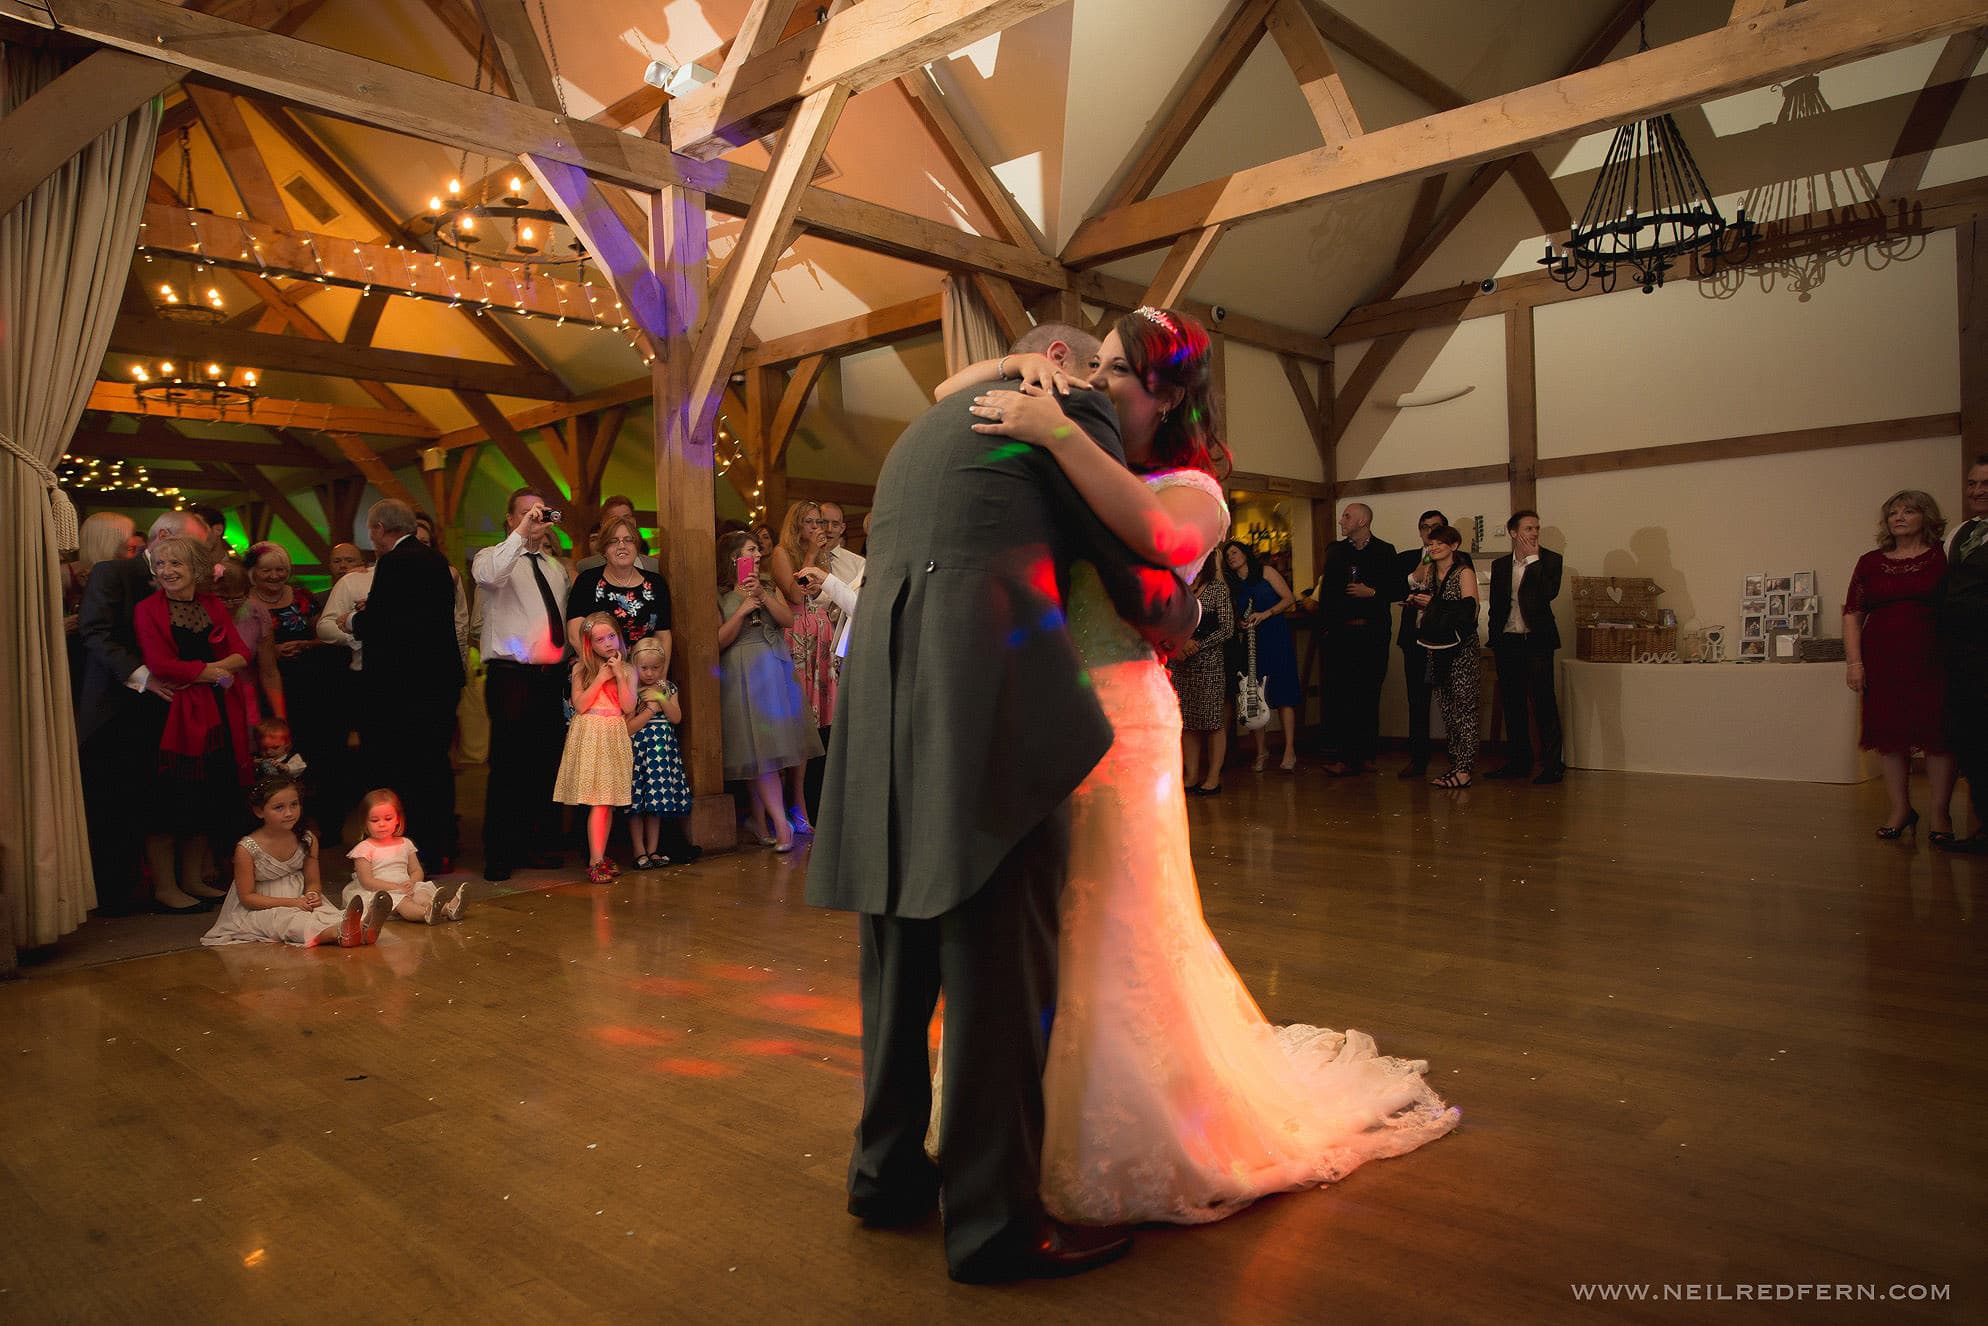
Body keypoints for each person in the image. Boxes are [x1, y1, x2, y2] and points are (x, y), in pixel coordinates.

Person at [955, 307, 1456, 1233]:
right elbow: (953, 394)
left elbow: (1161, 538)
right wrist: (1034, 365)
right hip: (1041, 710)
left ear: (1171, 393)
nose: (1100, 384)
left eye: (1119, 373)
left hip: (1123, 719)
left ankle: (1124, 1132)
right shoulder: (1072, 458)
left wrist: (1059, 426)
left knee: (1119, 923)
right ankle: (1017, 1123)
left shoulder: (1193, 489)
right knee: (1044, 925)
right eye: (1096, 366)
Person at [808, 319, 1201, 1284]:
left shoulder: (919, 433)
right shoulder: (1064, 417)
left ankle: (886, 1174)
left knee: (896, 962)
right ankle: (993, 1228)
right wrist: (1190, 612)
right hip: (987, 715)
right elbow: (1139, 585)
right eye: (1098, 366)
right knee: (995, 974)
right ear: (1057, 365)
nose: (1107, 385)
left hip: (884, 717)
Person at [78, 510, 209, 911]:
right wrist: (144, 676)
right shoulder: (113, 572)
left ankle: (163, 884)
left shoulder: (186, 582)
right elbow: (95, 632)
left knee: (159, 800)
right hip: (117, 708)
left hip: (166, 710)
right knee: (116, 805)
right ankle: (114, 898)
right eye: (193, 546)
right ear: (165, 535)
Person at [135, 533, 260, 912]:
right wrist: (214, 671)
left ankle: (192, 880)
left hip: (215, 713)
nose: (167, 571)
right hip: (169, 715)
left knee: (206, 797)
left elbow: (241, 653)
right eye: (160, 564)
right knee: (168, 802)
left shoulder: (211, 604)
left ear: (196, 569)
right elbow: (160, 665)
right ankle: (165, 887)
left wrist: (208, 672)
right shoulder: (147, 609)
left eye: (176, 564)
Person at [351, 500, 465, 871]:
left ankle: (404, 851)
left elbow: (385, 625)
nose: (372, 539)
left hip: (403, 688)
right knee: (435, 767)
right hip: (440, 682)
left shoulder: (393, 562)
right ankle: (440, 848)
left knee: (404, 768)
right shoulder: (436, 561)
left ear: (382, 527)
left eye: (372, 531)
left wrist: (353, 619)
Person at [1845, 490, 1957, 840]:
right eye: (1893, 512)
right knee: (1889, 738)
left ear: (1926, 516)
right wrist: (1854, 663)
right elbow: (1852, 613)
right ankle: (1901, 810)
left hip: (1934, 658)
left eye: (1909, 511)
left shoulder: (1944, 557)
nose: (1899, 517)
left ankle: (1940, 815)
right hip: (1882, 659)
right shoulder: (1870, 562)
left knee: (1938, 736)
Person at [472, 489, 570, 881]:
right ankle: (500, 852)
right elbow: (488, 576)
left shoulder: (554, 567)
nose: (536, 518)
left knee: (545, 764)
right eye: (527, 513)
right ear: (511, 519)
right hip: (512, 676)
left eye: (541, 512)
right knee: (508, 765)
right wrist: (521, 535)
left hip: (549, 678)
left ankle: (537, 844)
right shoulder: (492, 557)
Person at [717, 530, 820, 854]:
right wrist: (743, 609)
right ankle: (777, 825)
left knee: (774, 752)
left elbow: (787, 619)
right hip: (744, 672)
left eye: (758, 551)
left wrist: (763, 595)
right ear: (735, 558)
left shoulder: (766, 586)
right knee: (758, 755)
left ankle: (778, 823)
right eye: (751, 551)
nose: (758, 555)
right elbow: (719, 640)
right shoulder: (719, 596)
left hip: (774, 669)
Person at [202, 773, 377, 949]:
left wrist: (313, 894)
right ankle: (339, 932)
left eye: (294, 805)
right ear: (259, 811)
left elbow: (313, 882)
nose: (289, 813)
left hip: (299, 898)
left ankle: (359, 928)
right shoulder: (246, 849)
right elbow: (247, 898)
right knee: (289, 921)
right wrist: (291, 903)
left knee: (323, 913)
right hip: (262, 906)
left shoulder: (307, 839)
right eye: (279, 807)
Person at [770, 499, 837, 832]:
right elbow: (796, 596)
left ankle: (812, 801)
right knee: (800, 729)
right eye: (809, 521)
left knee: (820, 729)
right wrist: (810, 554)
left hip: (820, 649)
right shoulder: (782, 553)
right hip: (797, 644)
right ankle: (795, 804)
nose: (816, 528)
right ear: (796, 524)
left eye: (819, 522)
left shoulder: (823, 556)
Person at [1315, 502, 1396, 776]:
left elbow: (1395, 588)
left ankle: (1366, 754)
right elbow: (1327, 593)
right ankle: (1344, 756)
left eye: (1347, 516)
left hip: (1372, 636)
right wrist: (1325, 630)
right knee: (1342, 696)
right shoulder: (1336, 551)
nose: (1341, 521)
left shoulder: (1385, 551)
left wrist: (1371, 592)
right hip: (1342, 636)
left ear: (1362, 521)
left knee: (1369, 694)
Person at [555, 612, 637, 882]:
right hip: (591, 732)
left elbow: (628, 707)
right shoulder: (582, 668)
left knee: (608, 801)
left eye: (611, 636)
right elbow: (580, 704)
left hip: (613, 732)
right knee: (599, 802)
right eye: (600, 640)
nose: (608, 644)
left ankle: (600, 854)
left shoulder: (627, 669)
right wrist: (601, 679)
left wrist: (619, 676)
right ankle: (595, 860)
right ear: (591, 644)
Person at [1487, 510, 1565, 784]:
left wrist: (1533, 561)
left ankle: (1553, 765)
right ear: (1513, 533)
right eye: (1528, 528)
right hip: (1508, 640)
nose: (1533, 533)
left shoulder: (1551, 560)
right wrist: (1494, 638)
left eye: (1536, 529)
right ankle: (1519, 760)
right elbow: (1497, 605)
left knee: (1544, 702)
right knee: (1513, 703)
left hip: (1537, 641)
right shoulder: (1500, 565)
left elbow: (1547, 593)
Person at [1394, 510, 1471, 778]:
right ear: (1419, 531)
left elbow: (1465, 603)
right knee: (1417, 700)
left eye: (1436, 527)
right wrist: (1424, 561)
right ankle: (1418, 759)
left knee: (1452, 700)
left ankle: (1458, 761)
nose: (1430, 532)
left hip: (1446, 641)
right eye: (1425, 527)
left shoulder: (1461, 561)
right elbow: (1400, 588)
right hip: (1414, 638)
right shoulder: (1406, 558)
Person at [1409, 524, 1481, 789]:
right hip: (1435, 646)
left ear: (1454, 545)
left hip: (1461, 648)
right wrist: (1416, 601)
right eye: (1431, 543)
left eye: (1440, 543)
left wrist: (1433, 605)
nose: (1434, 547)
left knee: (1465, 708)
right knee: (1447, 709)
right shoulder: (1429, 573)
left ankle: (1464, 769)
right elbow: (1426, 600)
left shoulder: (1464, 572)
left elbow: (1470, 610)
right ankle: (1455, 764)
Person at [1941, 458, 1988, 852]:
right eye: (1973, 483)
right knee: (1970, 740)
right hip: (1960, 654)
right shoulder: (1960, 533)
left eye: (1986, 483)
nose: (1978, 490)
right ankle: (1980, 831)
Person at [1222, 540, 1300, 771]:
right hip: (1251, 642)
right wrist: (1241, 622)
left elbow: (1289, 599)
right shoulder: (1233, 584)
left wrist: (1267, 613)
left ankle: (1289, 750)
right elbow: (1233, 614)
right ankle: (1261, 751)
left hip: (1276, 635)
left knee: (1284, 692)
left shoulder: (1266, 572)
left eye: (1235, 552)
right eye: (1228, 556)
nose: (1232, 557)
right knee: (1254, 694)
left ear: (1246, 554)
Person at [625, 636, 699, 869]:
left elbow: (676, 717)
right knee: (638, 802)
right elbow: (628, 727)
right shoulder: (630, 690)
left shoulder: (668, 688)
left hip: (661, 753)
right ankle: (639, 851)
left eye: (655, 668)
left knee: (656, 801)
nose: (649, 673)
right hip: (639, 750)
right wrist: (648, 711)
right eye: (644, 668)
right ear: (635, 666)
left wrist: (660, 698)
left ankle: (653, 849)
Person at [343, 787, 467, 925]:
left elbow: (416, 870)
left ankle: (448, 909)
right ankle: (425, 914)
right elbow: (367, 881)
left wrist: (412, 882)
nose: (382, 824)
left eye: (388, 818)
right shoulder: (364, 849)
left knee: (422, 895)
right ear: (365, 822)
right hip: (381, 892)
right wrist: (395, 887)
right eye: (374, 820)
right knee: (403, 902)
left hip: (406, 887)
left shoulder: (405, 843)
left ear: (398, 819)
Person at [565, 513, 672, 670]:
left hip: (643, 675)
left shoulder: (656, 583)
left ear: (637, 546)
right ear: (604, 550)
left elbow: (663, 637)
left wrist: (658, 679)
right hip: (595, 673)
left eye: (629, 540)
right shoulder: (587, 581)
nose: (622, 546)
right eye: (613, 541)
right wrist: (606, 672)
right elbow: (575, 634)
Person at [1170, 548, 1235, 794]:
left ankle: (1213, 777)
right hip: (1181, 662)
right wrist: (1179, 644)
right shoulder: (1179, 589)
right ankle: (1191, 775)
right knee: (1188, 723)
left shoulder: (1217, 589)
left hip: (1209, 663)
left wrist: (1198, 645)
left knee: (1212, 721)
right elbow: (1167, 621)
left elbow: (1228, 628)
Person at [413, 511, 472, 669]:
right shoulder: (392, 574)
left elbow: (459, 620)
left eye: (424, 542)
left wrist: (460, 661)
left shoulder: (448, 575)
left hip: (441, 658)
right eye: (414, 541)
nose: (419, 548)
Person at [573, 495, 661, 575]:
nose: (622, 523)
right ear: (603, 524)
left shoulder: (653, 566)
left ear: (634, 522)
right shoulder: (587, 567)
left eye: (627, 517)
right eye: (615, 519)